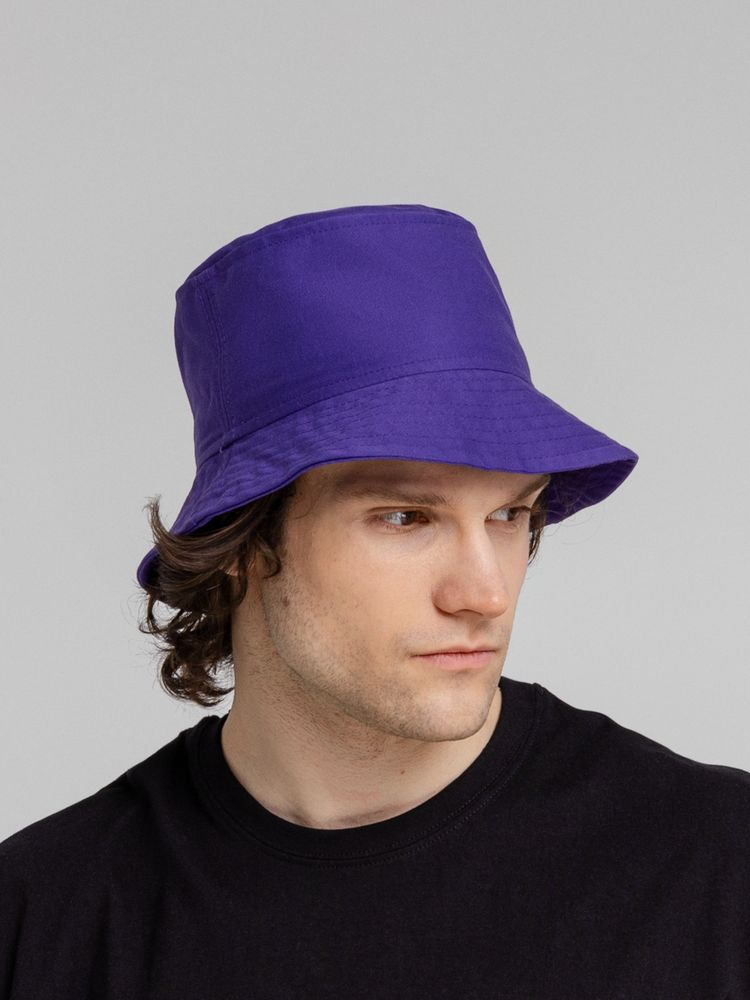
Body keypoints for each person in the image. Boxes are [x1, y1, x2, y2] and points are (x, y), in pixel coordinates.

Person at [1, 203, 748, 998]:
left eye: (509, 514)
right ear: (240, 546)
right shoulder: (42, 918)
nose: (487, 592)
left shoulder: (719, 868)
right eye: (404, 518)